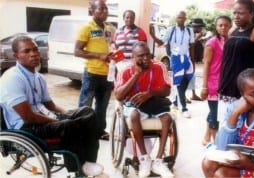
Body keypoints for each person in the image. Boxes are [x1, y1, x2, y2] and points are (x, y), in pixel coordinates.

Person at [0, 36, 104, 177]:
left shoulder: (38, 77)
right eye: (27, 51)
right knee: (68, 125)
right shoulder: (12, 78)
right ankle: (77, 169)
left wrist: (69, 114)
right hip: (25, 127)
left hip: (42, 117)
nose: (34, 53)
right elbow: (29, 117)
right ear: (16, 56)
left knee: (87, 113)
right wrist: (61, 121)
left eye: (35, 49)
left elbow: (51, 105)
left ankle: (88, 163)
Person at [114, 42, 174, 178]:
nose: (146, 58)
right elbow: (118, 95)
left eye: (148, 54)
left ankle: (158, 161)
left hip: (154, 102)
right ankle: (144, 159)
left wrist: (150, 94)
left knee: (167, 118)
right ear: (133, 57)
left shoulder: (159, 66)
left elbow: (167, 90)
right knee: (134, 115)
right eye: (141, 56)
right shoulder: (125, 70)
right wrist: (136, 75)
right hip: (133, 104)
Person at [74, 0, 115, 140]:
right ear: (92, 10)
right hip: (92, 73)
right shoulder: (87, 27)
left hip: (108, 74)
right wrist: (99, 56)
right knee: (85, 104)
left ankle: (99, 131)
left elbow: (111, 46)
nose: (105, 11)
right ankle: (80, 131)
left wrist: (113, 54)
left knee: (102, 106)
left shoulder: (110, 28)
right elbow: (77, 51)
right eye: (101, 9)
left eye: (106, 9)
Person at [150, 11, 195, 118]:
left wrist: (192, 60)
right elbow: (161, 43)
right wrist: (152, 35)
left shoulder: (189, 31)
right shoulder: (171, 30)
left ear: (185, 19)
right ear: (176, 18)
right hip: (175, 59)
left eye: (182, 18)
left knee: (185, 80)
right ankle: (183, 108)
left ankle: (175, 102)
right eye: (178, 17)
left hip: (186, 59)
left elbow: (192, 45)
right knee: (179, 82)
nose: (180, 19)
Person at [200, 16, 232, 145]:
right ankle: (215, 144)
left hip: (226, 83)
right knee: (215, 114)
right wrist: (204, 86)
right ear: (216, 26)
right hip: (213, 83)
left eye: (226, 25)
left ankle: (206, 137)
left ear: (230, 26)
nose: (223, 27)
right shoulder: (212, 43)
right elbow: (206, 64)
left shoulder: (230, 41)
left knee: (217, 112)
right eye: (220, 25)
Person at [188, 18, 206, 101]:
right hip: (186, 59)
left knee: (192, 77)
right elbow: (188, 46)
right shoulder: (187, 33)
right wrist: (197, 38)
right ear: (194, 27)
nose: (200, 29)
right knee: (184, 78)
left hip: (192, 59)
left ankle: (193, 94)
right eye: (199, 27)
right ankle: (181, 97)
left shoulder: (194, 34)